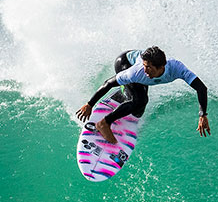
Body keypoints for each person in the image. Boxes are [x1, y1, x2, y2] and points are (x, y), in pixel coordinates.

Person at [76, 46, 209, 144]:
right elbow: (108, 83)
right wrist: (89, 104)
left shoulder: (176, 69)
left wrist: (202, 115)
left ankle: (126, 93)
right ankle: (104, 123)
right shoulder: (137, 72)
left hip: (137, 68)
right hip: (124, 62)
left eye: (149, 67)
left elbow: (201, 88)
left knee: (139, 111)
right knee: (140, 100)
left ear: (161, 67)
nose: (146, 71)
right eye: (144, 66)